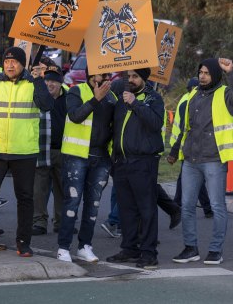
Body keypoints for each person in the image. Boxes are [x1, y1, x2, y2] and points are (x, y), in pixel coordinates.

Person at [0, 47, 54, 257]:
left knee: (25, 198)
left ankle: (23, 242)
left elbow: (46, 105)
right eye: (7, 61)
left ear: (22, 64)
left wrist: (38, 80)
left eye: (15, 62)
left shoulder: (33, 81)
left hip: (24, 151)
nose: (10, 65)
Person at [170, 58, 233, 265]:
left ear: (215, 74)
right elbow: (186, 126)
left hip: (214, 159)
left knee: (217, 206)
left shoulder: (224, 93)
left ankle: (215, 250)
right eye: (200, 73)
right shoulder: (193, 94)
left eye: (206, 73)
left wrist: (231, 73)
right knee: (187, 205)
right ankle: (190, 248)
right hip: (190, 159)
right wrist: (176, 150)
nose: (202, 76)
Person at [56, 66, 116, 263]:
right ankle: (63, 247)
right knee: (72, 203)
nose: (107, 79)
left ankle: (85, 246)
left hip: (101, 159)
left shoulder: (111, 97)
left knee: (93, 206)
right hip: (76, 156)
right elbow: (75, 116)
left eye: (109, 75)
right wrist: (95, 99)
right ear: (91, 75)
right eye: (103, 75)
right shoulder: (76, 91)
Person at [106, 68, 164, 269]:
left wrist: (136, 103)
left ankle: (149, 253)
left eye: (135, 77)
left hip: (143, 161)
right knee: (126, 209)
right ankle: (129, 248)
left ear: (143, 79)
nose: (130, 80)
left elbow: (156, 123)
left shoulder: (153, 98)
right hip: (122, 161)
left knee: (146, 209)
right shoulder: (120, 97)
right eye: (129, 76)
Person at [32, 64, 68, 236]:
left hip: (63, 150)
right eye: (47, 80)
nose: (50, 84)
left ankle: (61, 223)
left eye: (54, 80)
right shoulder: (37, 97)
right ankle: (39, 222)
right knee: (39, 189)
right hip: (41, 148)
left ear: (61, 83)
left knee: (62, 189)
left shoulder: (70, 98)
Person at [169, 77, 212, 217]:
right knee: (196, 177)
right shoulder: (190, 103)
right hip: (189, 145)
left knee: (186, 177)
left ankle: (176, 205)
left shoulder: (185, 101)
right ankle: (207, 208)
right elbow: (185, 128)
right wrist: (174, 151)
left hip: (187, 145)